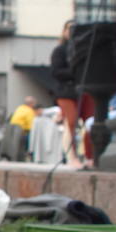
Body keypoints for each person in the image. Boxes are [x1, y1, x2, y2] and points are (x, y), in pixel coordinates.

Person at [48, 22, 88, 168]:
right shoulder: (60, 50)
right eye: (69, 29)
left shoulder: (82, 49)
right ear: (64, 31)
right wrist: (74, 73)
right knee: (70, 122)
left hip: (82, 90)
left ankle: (87, 156)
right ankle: (72, 156)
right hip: (66, 91)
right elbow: (55, 71)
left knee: (88, 122)